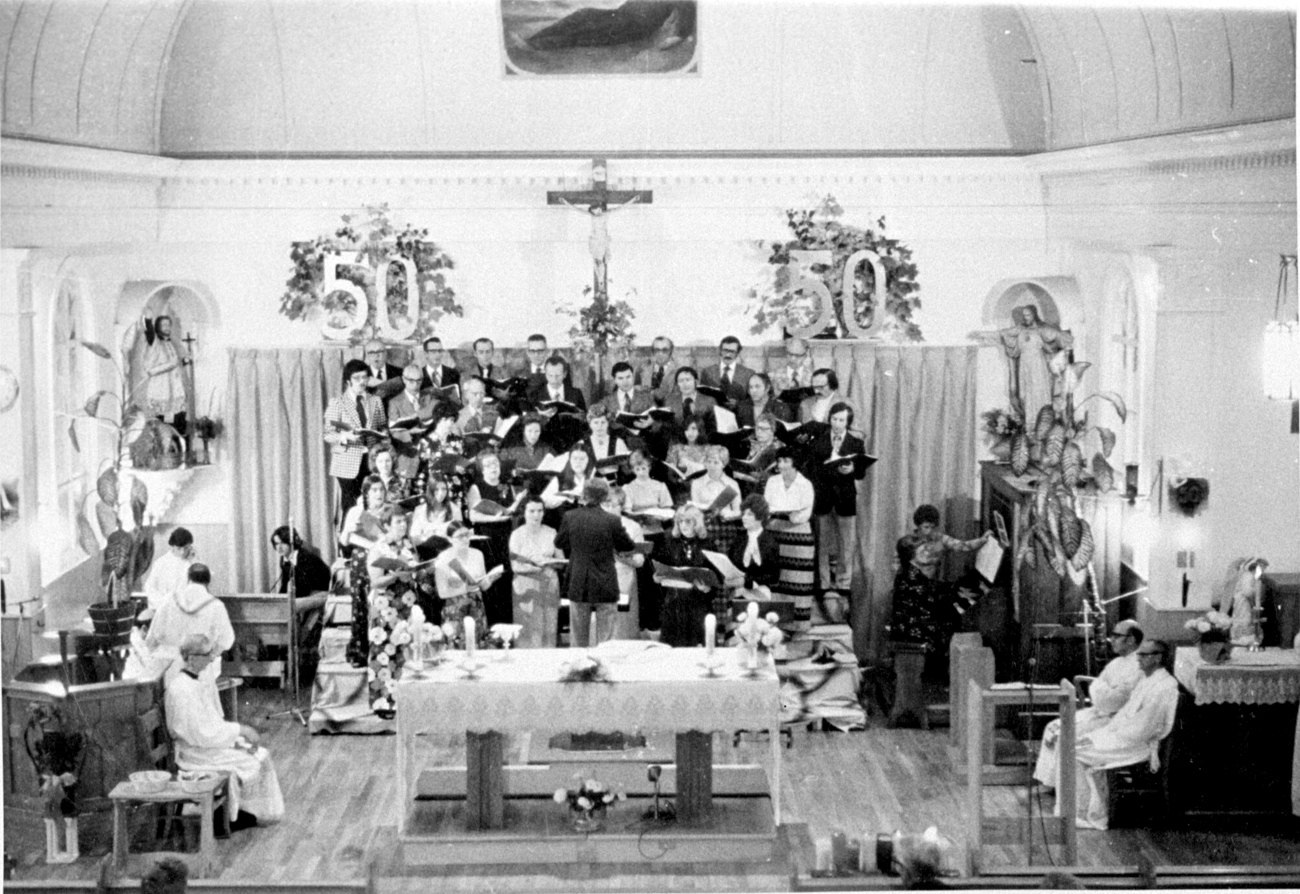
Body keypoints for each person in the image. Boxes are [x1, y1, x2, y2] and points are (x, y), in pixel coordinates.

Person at [166, 634, 283, 828]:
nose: (212, 658)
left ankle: (237, 811)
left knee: (260, 754)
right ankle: (230, 817)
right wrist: (240, 729)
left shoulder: (194, 682)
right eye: (207, 654)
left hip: (205, 745)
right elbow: (201, 733)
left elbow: (209, 725)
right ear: (192, 658)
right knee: (253, 760)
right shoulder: (182, 690)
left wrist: (236, 732)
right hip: (196, 753)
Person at [1071, 639, 1179, 830]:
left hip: (1139, 746)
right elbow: (1123, 716)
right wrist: (1099, 735)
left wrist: (1101, 739)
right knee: (1076, 745)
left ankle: (1093, 815)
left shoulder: (1165, 687)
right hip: (1126, 738)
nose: (1138, 658)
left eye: (1144, 655)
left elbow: (1143, 728)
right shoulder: (1147, 680)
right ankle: (1080, 810)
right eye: (1139, 654)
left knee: (1076, 753)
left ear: (1158, 658)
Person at [1034, 620, 1145, 790]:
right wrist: (1104, 691)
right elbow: (1097, 688)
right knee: (1054, 726)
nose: (1111, 639)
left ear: (1131, 640)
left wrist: (1103, 692)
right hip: (1100, 711)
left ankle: (1067, 790)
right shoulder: (1117, 662)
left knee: (1067, 733)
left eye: (1116, 636)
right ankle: (1052, 782)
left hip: (1116, 720)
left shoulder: (1140, 665)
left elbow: (1115, 699)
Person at [554, 478, 637, 647]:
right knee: (607, 642)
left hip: (579, 582)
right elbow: (628, 546)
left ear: (584, 495)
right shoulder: (612, 520)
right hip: (605, 583)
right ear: (605, 496)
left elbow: (559, 543)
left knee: (578, 641)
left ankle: (578, 672)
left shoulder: (570, 516)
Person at [145, 564, 234, 705]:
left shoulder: (169, 600)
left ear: (188, 579)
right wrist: (210, 656)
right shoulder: (216, 605)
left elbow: (153, 637)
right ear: (207, 582)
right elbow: (227, 640)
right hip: (199, 667)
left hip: (170, 666)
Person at [809, 402, 868, 591]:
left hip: (845, 498)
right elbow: (812, 470)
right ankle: (824, 583)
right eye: (834, 419)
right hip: (823, 498)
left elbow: (861, 473)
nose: (837, 423)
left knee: (846, 544)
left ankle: (844, 582)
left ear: (848, 422)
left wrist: (852, 469)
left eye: (841, 420)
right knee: (822, 544)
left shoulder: (856, 443)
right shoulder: (818, 440)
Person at [324, 359, 387, 518]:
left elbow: (382, 426)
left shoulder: (375, 401)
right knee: (350, 506)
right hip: (347, 462)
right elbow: (328, 434)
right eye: (357, 378)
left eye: (365, 377)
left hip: (370, 460)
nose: (362, 381)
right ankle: (348, 541)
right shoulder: (337, 403)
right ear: (348, 381)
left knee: (371, 503)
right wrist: (346, 436)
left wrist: (382, 434)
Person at [990, 304, 1074, 418]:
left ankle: (1042, 420)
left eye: (1028, 315)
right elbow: (1003, 333)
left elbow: (1057, 335)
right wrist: (984, 334)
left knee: (1038, 390)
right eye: (1024, 315)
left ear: (1034, 315)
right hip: (1024, 365)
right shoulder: (1020, 329)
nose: (1026, 318)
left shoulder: (1041, 329)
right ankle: (1028, 424)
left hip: (1037, 364)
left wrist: (1067, 340)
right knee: (1024, 394)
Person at [622, 450, 672, 635]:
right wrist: (639, 517)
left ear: (649, 467)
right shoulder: (628, 488)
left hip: (657, 534)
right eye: (637, 468)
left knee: (657, 578)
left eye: (644, 467)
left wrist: (657, 514)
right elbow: (627, 511)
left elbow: (668, 510)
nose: (641, 471)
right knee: (641, 579)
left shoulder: (660, 486)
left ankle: (657, 621)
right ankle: (641, 621)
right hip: (639, 534)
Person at [465, 451, 516, 625]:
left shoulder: (508, 486)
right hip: (487, 540)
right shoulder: (476, 488)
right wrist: (494, 518)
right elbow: (473, 516)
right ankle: (493, 628)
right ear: (482, 469)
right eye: (488, 465)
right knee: (491, 583)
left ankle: (508, 629)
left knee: (506, 582)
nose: (493, 468)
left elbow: (513, 509)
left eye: (495, 464)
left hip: (506, 538)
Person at [657, 504, 714, 647]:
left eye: (687, 521)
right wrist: (656, 578)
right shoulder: (670, 541)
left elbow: (715, 575)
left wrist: (707, 588)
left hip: (698, 601)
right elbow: (660, 566)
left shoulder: (708, 543)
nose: (683, 525)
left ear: (697, 523)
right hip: (674, 602)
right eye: (680, 521)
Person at [763, 446, 817, 596]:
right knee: (775, 579)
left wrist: (792, 516)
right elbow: (766, 506)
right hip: (774, 533)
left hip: (797, 535)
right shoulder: (772, 482)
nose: (781, 465)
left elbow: (806, 512)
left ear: (795, 462)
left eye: (786, 461)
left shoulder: (805, 484)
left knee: (796, 581)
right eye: (779, 461)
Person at [509, 496, 562, 648]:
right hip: (526, 586)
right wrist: (534, 567)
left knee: (549, 626)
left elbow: (561, 561)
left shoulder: (552, 532)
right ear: (524, 513)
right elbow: (515, 566)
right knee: (529, 629)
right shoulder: (517, 535)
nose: (536, 515)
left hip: (549, 582)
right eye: (531, 511)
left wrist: (550, 563)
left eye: (539, 511)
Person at [433, 522, 493, 630]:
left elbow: (483, 586)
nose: (465, 539)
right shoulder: (444, 558)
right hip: (455, 610)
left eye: (467, 534)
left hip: (477, 607)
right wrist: (465, 588)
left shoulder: (478, 554)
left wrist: (489, 580)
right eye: (460, 536)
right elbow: (442, 593)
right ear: (450, 539)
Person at [606, 486, 647, 638]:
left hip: (624, 580)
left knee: (623, 626)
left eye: (614, 505)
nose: (609, 509)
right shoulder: (591, 525)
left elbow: (639, 561)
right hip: (598, 581)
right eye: (606, 504)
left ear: (622, 506)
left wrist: (622, 557)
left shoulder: (632, 526)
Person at [140, 315, 191, 433]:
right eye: (164, 325)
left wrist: (184, 362)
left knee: (178, 427)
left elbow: (173, 363)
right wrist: (148, 319)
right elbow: (150, 333)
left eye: (169, 324)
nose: (167, 327)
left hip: (175, 391)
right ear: (157, 327)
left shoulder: (170, 343)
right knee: (163, 431)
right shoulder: (154, 342)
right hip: (161, 391)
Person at [727, 495, 780, 591]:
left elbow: (774, 576)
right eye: (743, 514)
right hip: (737, 594)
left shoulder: (770, 542)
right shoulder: (738, 540)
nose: (744, 517)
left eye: (749, 514)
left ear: (760, 516)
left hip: (761, 595)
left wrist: (746, 581)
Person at [144, 528, 196, 612]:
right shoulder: (161, 563)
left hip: (185, 611)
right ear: (173, 546)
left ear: (190, 546)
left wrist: (195, 560)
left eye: (186, 548)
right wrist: (162, 603)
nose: (182, 552)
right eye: (179, 548)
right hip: (164, 609)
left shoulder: (191, 563)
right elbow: (149, 587)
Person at [700, 336, 756, 406]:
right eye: (725, 350)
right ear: (720, 351)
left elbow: (754, 400)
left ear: (738, 353)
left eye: (732, 351)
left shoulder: (749, 374)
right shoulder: (707, 372)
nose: (728, 354)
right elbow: (701, 397)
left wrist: (738, 404)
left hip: (739, 415)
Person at [409, 475, 462, 547]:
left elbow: (460, 537)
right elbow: (414, 537)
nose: (441, 493)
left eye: (444, 489)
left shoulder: (455, 509)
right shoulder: (420, 510)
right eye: (436, 489)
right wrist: (427, 536)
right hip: (427, 550)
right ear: (430, 490)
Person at [578, 404, 629, 476]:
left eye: (603, 422)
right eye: (596, 422)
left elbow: (626, 468)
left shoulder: (618, 442)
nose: (599, 426)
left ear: (608, 423)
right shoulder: (581, 444)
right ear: (590, 424)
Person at [637, 336, 680, 403]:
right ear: (653, 351)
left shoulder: (679, 371)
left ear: (671, 351)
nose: (660, 354)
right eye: (657, 350)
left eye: (665, 350)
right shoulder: (642, 369)